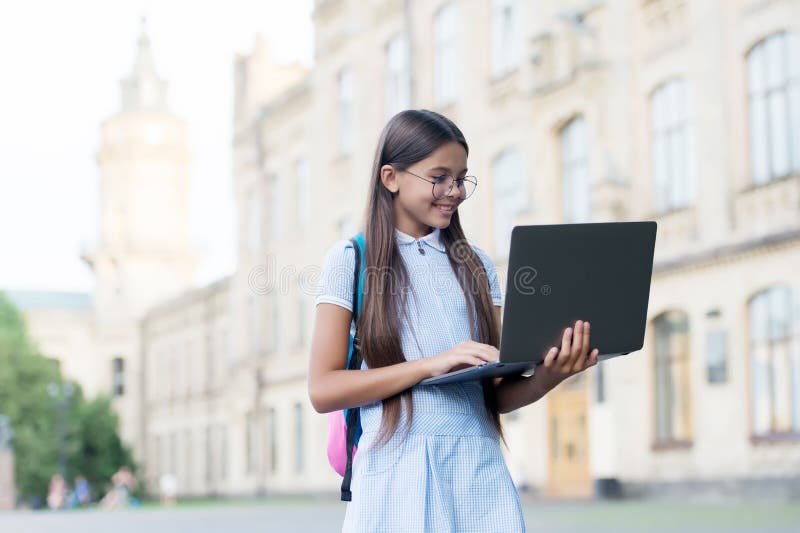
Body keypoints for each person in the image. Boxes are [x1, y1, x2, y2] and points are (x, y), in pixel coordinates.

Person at [309, 109, 599, 532]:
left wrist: (551, 374)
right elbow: (323, 389)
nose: (455, 191)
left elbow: (495, 394)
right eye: (439, 177)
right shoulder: (351, 260)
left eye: (461, 178)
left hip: (479, 478)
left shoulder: (477, 265)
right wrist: (431, 365)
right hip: (395, 482)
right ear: (391, 178)